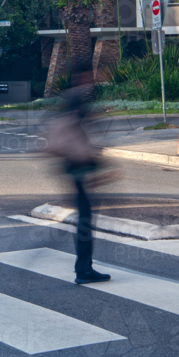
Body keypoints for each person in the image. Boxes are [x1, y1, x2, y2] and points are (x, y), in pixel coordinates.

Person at [47, 62, 111, 285]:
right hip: (77, 167)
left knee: (85, 216)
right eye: (88, 77)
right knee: (85, 218)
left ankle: (84, 267)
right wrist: (94, 167)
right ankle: (83, 269)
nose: (91, 81)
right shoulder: (76, 101)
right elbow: (76, 139)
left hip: (75, 166)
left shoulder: (72, 99)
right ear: (81, 77)